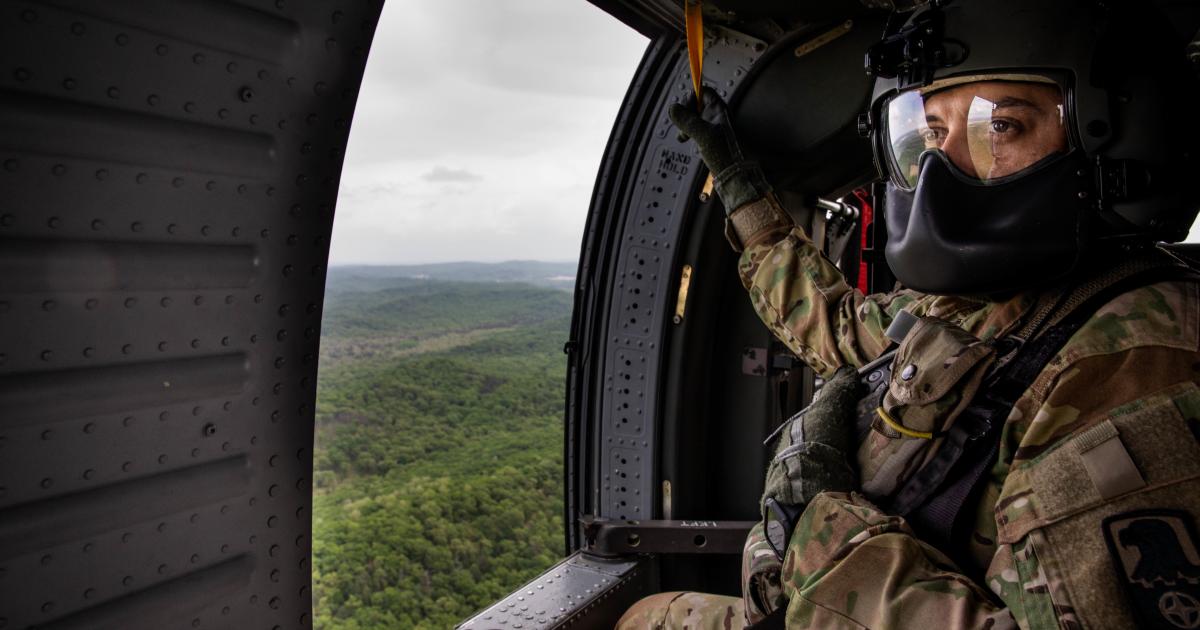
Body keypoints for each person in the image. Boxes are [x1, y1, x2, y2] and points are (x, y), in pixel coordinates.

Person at [618, 0, 1200, 628]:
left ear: (1120, 135)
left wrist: (816, 520)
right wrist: (741, 190)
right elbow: (836, 325)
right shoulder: (993, 306)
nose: (940, 168)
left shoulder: (1140, 369)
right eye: (932, 134)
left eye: (1001, 125)